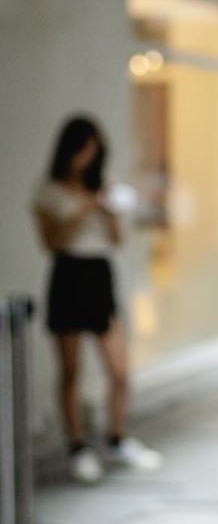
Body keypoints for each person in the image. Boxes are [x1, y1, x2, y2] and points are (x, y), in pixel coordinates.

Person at [31, 116, 162, 484]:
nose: (89, 157)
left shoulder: (104, 186)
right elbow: (52, 243)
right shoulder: (48, 191)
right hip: (68, 273)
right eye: (84, 149)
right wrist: (85, 206)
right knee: (71, 370)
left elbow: (116, 240)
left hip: (99, 274)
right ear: (69, 150)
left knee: (119, 370)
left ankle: (116, 437)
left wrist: (107, 209)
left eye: (94, 150)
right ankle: (78, 447)